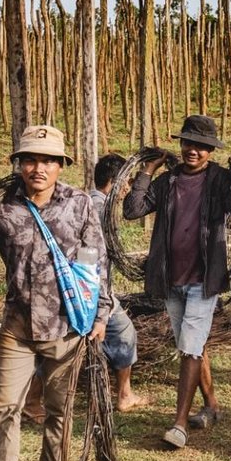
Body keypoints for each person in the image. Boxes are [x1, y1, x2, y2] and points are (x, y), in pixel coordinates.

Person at [0, 125, 111, 461]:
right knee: (3, 407)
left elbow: (95, 263)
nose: (38, 168)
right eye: (30, 159)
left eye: (47, 160)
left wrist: (100, 314)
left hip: (67, 326)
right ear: (19, 164)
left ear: (60, 165)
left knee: (59, 409)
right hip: (17, 325)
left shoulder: (79, 204)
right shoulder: (2, 206)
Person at [124, 113, 231, 449]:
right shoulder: (167, 182)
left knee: (189, 348)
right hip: (170, 278)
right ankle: (212, 406)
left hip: (203, 279)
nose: (194, 151)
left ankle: (179, 424)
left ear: (210, 151)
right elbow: (132, 210)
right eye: (189, 143)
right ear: (181, 144)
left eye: (202, 147)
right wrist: (148, 170)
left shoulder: (221, 180)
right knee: (193, 344)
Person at [91, 152, 145, 411]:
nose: (127, 188)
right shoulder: (98, 208)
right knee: (124, 332)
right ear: (115, 181)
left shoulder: (91, 202)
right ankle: (124, 395)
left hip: (93, 289)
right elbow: (90, 256)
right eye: (126, 183)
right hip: (93, 290)